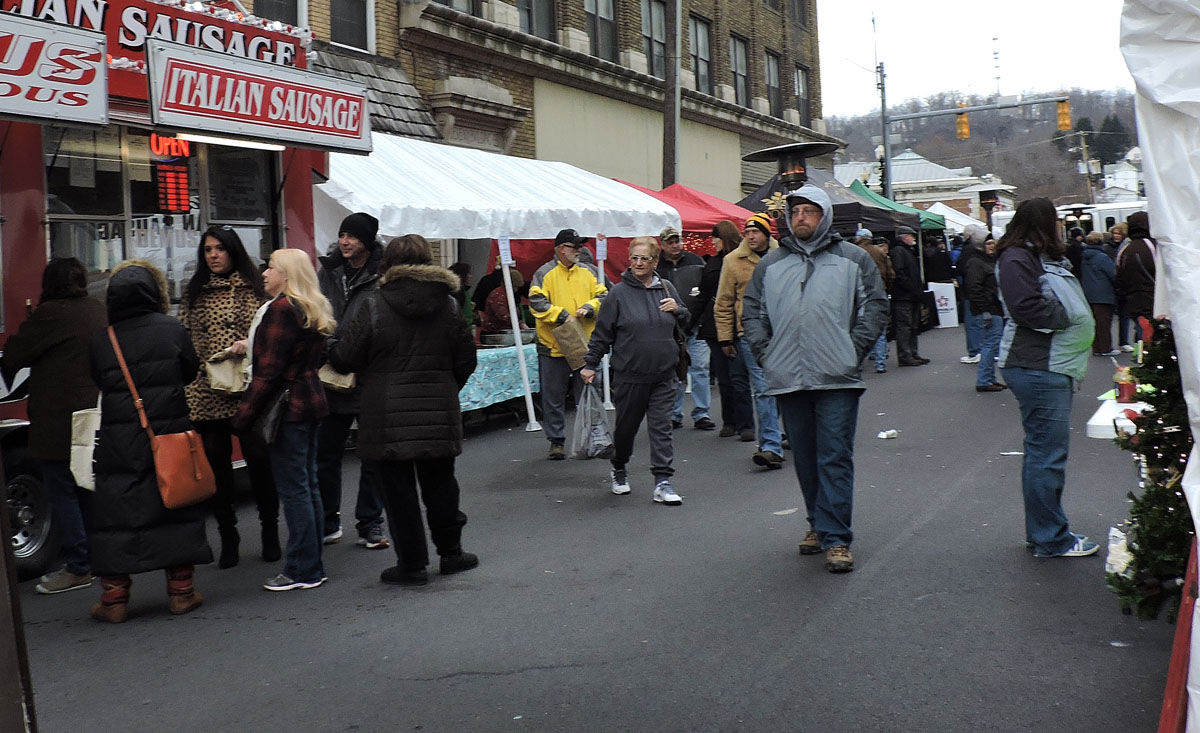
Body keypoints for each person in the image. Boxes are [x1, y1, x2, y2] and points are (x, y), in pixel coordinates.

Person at [742, 186, 888, 574]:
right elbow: (752, 312)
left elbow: (875, 307)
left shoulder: (853, 259)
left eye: (809, 211)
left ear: (824, 216)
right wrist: (765, 352)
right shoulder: (770, 265)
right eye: (796, 212)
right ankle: (817, 525)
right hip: (788, 375)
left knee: (834, 455)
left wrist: (852, 350)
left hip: (837, 376)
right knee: (805, 458)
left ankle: (837, 538)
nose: (801, 218)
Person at [329, 234, 480, 586]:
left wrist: (331, 346)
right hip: (437, 410)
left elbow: (345, 359)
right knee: (441, 484)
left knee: (397, 493)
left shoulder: (374, 304)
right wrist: (444, 387)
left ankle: (412, 564)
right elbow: (466, 360)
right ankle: (451, 553)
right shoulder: (450, 305)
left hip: (385, 414)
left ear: (387, 264)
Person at [88, 260, 212, 622]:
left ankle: (114, 600)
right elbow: (190, 370)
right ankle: (181, 594)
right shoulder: (171, 329)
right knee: (174, 503)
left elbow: (98, 378)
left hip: (118, 440)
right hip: (167, 431)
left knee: (116, 511)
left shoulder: (102, 339)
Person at [996, 197, 1097, 559]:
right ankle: (1051, 537)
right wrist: (1067, 316)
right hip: (1039, 366)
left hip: (1044, 366)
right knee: (1046, 455)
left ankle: (1042, 532)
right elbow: (1026, 308)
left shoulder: (1027, 256)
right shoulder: (1016, 258)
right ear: (1042, 222)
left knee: (1042, 453)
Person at [1, 258, 106, 594]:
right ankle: (97, 557)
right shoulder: (96, 310)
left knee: (62, 490)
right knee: (86, 486)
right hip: (93, 414)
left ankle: (78, 567)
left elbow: (15, 352)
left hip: (57, 419)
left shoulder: (50, 314)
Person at [233, 249, 336, 591]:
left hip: (288, 408)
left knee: (294, 491)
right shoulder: (310, 306)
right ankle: (311, 564)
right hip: (311, 400)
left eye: (271, 267)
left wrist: (242, 417)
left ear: (287, 274)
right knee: (308, 486)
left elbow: (268, 372)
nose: (264, 272)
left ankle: (302, 570)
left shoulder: (281, 309)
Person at [178, 227, 279, 568]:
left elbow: (270, 337)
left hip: (246, 389)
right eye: (208, 250)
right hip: (207, 391)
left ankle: (269, 531)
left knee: (258, 462)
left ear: (233, 251)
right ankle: (229, 537)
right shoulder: (194, 295)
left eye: (220, 248)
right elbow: (184, 342)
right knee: (216, 469)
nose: (214, 255)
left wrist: (246, 345)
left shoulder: (254, 290)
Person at [580, 237, 688, 505]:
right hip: (630, 375)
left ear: (655, 262)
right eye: (634, 258)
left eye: (645, 259)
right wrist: (591, 363)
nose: (639, 263)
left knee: (661, 429)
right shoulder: (617, 294)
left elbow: (685, 318)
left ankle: (663, 481)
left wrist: (679, 309)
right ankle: (619, 467)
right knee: (626, 429)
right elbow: (602, 333)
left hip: (664, 374)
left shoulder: (666, 288)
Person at [315, 213, 389, 549]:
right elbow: (317, 312)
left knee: (373, 455)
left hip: (370, 374)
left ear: (368, 240)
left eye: (352, 236)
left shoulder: (382, 273)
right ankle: (329, 521)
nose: (345, 241)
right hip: (332, 373)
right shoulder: (328, 270)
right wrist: (330, 347)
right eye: (342, 234)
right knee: (326, 453)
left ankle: (370, 523)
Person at [528, 228, 608, 460]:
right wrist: (562, 315)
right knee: (553, 396)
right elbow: (536, 302)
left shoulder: (589, 271)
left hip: (584, 344)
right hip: (553, 345)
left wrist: (590, 307)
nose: (580, 250)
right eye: (575, 247)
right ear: (561, 249)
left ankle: (592, 438)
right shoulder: (544, 273)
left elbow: (604, 296)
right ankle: (556, 441)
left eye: (580, 246)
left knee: (588, 393)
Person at [714, 213, 785, 469]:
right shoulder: (733, 261)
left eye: (756, 232)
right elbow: (723, 302)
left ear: (767, 234)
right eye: (747, 232)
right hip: (750, 334)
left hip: (784, 332)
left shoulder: (784, 255)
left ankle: (776, 434)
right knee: (764, 388)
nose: (751, 236)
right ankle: (770, 447)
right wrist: (725, 338)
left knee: (783, 386)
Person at [697, 221, 754, 439]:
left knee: (739, 378)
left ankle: (745, 423)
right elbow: (705, 296)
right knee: (725, 378)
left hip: (740, 325)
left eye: (716, 238)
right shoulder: (714, 262)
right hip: (717, 328)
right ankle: (730, 420)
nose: (712, 242)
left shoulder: (741, 260)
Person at [655, 226, 713, 431]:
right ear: (662, 245)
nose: (675, 245)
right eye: (670, 242)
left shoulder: (696, 261)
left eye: (677, 241)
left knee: (700, 368)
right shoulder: (657, 266)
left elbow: (706, 292)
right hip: (672, 328)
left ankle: (702, 413)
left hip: (696, 325)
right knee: (675, 371)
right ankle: (674, 413)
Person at [963, 237, 1006, 392]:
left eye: (993, 243)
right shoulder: (977, 263)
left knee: (992, 344)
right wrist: (984, 309)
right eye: (988, 243)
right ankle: (984, 379)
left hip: (993, 307)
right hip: (989, 308)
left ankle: (988, 378)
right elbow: (974, 288)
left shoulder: (985, 261)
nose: (992, 246)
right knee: (990, 344)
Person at [889, 225, 928, 367]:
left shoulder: (906, 251)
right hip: (904, 295)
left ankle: (912, 353)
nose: (913, 238)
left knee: (912, 326)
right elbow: (900, 274)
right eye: (911, 236)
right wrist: (913, 289)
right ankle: (906, 355)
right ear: (905, 237)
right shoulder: (899, 252)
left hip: (909, 295)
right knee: (905, 327)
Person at [856, 235, 894, 374]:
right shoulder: (879, 252)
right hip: (878, 290)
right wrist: (887, 286)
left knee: (859, 326)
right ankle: (880, 363)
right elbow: (890, 272)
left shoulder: (854, 251)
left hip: (859, 292)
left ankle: (858, 363)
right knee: (879, 328)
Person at [1080, 231, 1119, 356]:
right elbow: (1113, 274)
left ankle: (1096, 348)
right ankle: (1106, 348)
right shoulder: (1102, 257)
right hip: (1103, 294)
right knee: (1104, 323)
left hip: (1088, 293)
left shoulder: (1084, 256)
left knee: (1094, 323)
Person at [1115, 211, 1156, 328]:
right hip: (1154, 299)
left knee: (1141, 334)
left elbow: (1119, 277)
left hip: (1133, 302)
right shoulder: (1153, 246)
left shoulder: (1125, 250)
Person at [956, 226, 987, 364]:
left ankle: (975, 351)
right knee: (982, 321)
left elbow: (961, 268)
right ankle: (984, 349)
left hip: (970, 289)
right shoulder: (981, 250)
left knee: (972, 322)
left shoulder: (968, 249)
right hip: (984, 289)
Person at [1107, 222, 1134, 352]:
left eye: (1118, 233)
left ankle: (1123, 341)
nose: (1116, 236)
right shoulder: (1108, 247)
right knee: (1111, 317)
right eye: (1114, 233)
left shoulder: (1126, 247)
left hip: (1121, 286)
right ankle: (1110, 344)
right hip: (1112, 286)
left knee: (1124, 315)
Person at [478, 268, 527, 335]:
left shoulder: (505, 294)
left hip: (500, 331)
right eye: (515, 286)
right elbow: (503, 315)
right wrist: (520, 324)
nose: (517, 290)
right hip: (494, 333)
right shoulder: (498, 295)